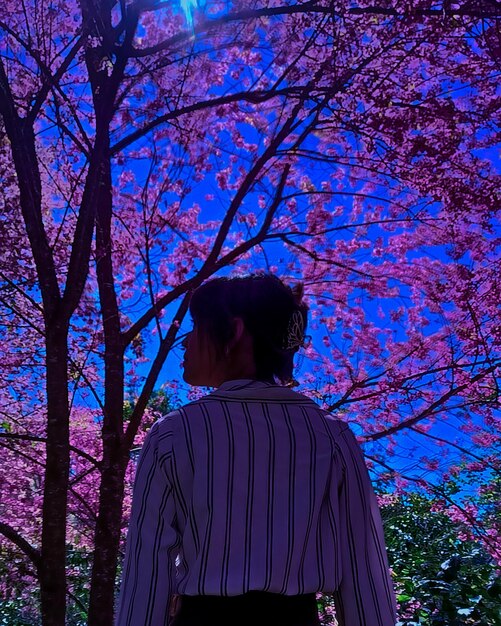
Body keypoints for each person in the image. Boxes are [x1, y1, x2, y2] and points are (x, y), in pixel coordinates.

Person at [116, 273, 398, 626]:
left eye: (198, 327)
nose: (186, 343)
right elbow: (364, 571)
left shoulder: (174, 434)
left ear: (233, 332)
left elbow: (147, 570)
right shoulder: (331, 436)